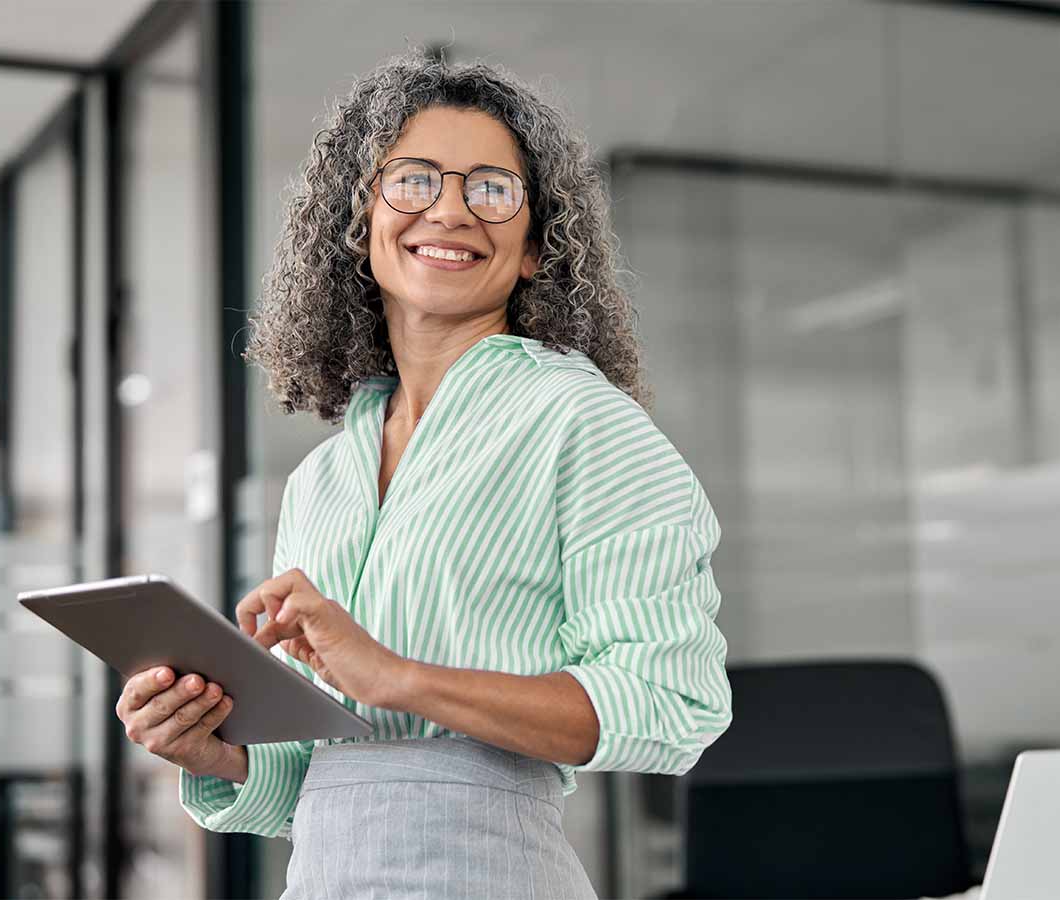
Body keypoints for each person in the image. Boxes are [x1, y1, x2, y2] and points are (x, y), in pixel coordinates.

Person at [115, 47, 732, 899]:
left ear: (533, 251)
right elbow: (320, 780)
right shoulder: (323, 480)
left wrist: (400, 678)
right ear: (359, 227)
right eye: (413, 181)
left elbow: (670, 704)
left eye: (490, 189)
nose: (449, 210)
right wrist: (213, 749)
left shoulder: (582, 424)